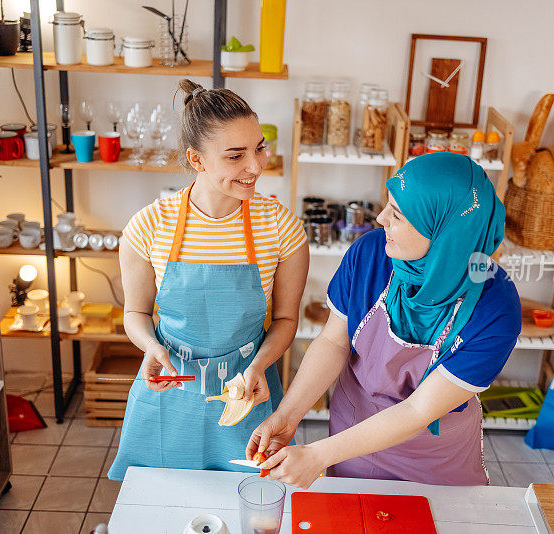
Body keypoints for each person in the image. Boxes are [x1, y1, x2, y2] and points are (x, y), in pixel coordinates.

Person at [248, 152, 522, 488]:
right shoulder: (371, 253)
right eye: (387, 204)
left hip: (433, 457)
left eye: (398, 214)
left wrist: (317, 455)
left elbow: (419, 411)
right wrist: (287, 417)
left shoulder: (496, 308)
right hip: (350, 438)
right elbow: (334, 342)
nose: (380, 218)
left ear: (445, 233)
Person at [108, 80, 309, 480]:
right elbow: (135, 312)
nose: (255, 166)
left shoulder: (281, 228)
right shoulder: (149, 226)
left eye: (260, 147)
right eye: (235, 156)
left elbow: (286, 321)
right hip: (171, 393)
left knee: (247, 503)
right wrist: (150, 347)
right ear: (196, 160)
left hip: (249, 391)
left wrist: (260, 365)